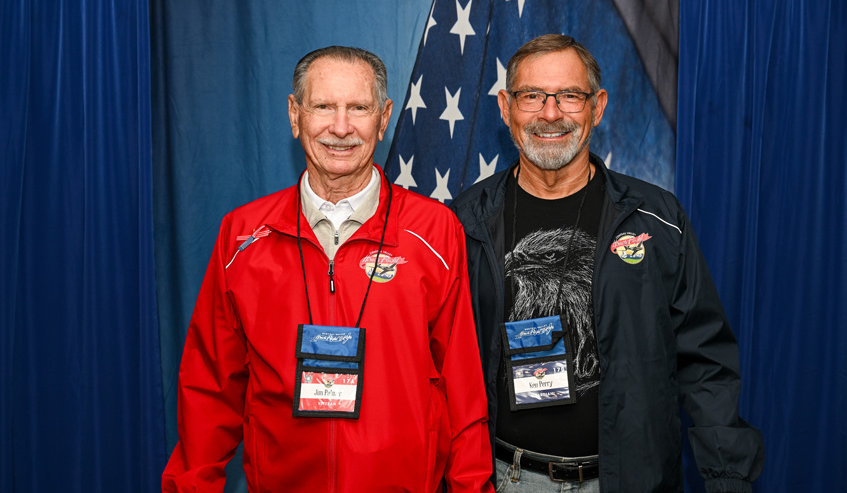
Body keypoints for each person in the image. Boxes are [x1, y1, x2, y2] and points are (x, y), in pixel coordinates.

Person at [163, 46, 494, 492]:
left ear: (383, 117)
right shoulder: (242, 236)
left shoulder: (434, 232)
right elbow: (209, 389)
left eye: (358, 108)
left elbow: (463, 387)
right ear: (295, 114)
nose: (341, 128)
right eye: (323, 107)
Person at [450, 35, 764, 492]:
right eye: (531, 96)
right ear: (505, 107)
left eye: (569, 96)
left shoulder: (657, 220)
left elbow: (705, 361)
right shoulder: (462, 223)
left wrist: (727, 478)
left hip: (626, 480)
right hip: (506, 477)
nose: (551, 113)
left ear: (597, 107)